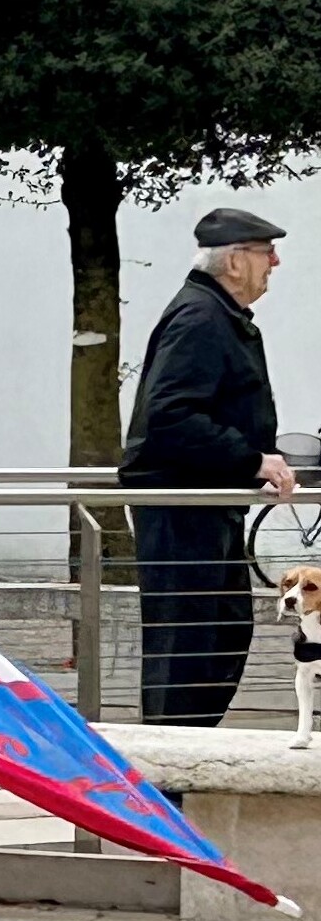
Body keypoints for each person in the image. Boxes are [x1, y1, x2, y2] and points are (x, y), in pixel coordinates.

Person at [124, 208, 292, 728]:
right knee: (187, 647)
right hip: (181, 505)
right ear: (237, 261)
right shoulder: (201, 317)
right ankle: (168, 781)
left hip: (205, 502)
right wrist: (253, 459)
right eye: (267, 253)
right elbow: (170, 416)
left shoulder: (214, 313)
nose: (276, 263)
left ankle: (183, 767)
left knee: (219, 636)